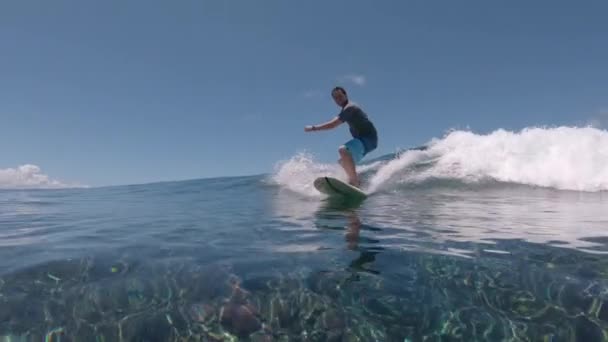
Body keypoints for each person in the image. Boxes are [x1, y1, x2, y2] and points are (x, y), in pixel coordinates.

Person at [305, 86, 378, 187]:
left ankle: (354, 182)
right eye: (335, 98)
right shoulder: (345, 110)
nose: (338, 99)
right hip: (365, 142)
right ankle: (359, 182)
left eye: (340, 96)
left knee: (343, 149)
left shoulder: (350, 107)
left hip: (368, 139)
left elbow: (333, 124)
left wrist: (313, 128)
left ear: (345, 95)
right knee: (342, 162)